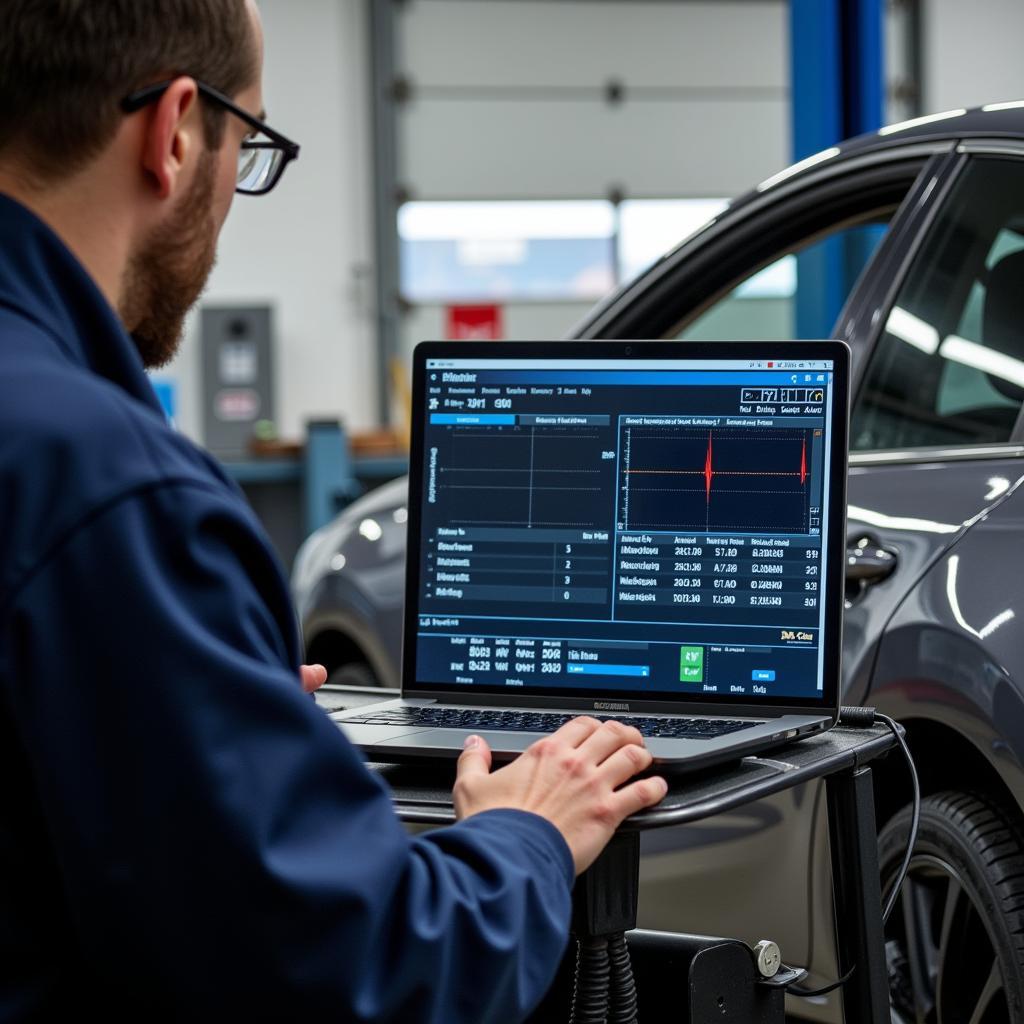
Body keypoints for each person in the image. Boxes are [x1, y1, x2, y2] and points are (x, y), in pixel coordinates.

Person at [0, 2, 668, 1019]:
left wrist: (211, 714)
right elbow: (363, 972)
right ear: (175, 132)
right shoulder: (111, 490)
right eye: (249, 146)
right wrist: (526, 830)